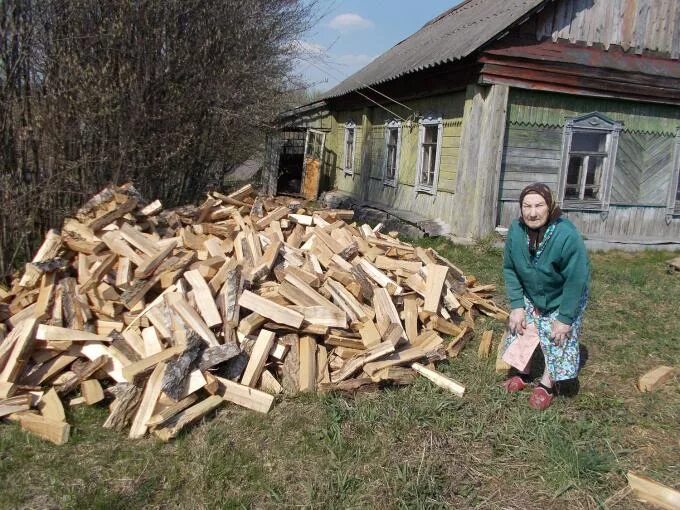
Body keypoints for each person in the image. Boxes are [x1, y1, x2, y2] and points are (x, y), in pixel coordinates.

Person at [500, 182, 590, 410]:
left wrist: (565, 318)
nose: (532, 212)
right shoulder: (516, 231)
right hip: (533, 292)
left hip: (565, 295)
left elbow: (576, 279)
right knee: (521, 325)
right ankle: (523, 372)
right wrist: (517, 305)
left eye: (539, 205)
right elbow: (510, 269)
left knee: (557, 335)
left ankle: (547, 385)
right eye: (526, 206)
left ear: (550, 206)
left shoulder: (566, 235)